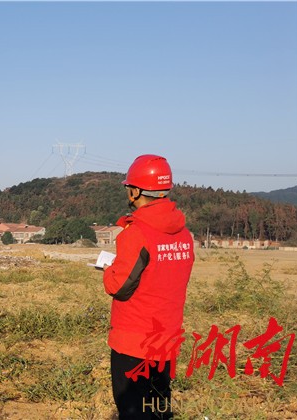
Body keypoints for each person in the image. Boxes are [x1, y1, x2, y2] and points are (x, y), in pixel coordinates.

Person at [103, 154, 194, 419]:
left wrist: (108, 270)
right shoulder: (184, 234)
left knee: (132, 409)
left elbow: (119, 286)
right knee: (158, 405)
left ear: (135, 191)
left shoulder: (136, 234)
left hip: (134, 341)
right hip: (166, 339)